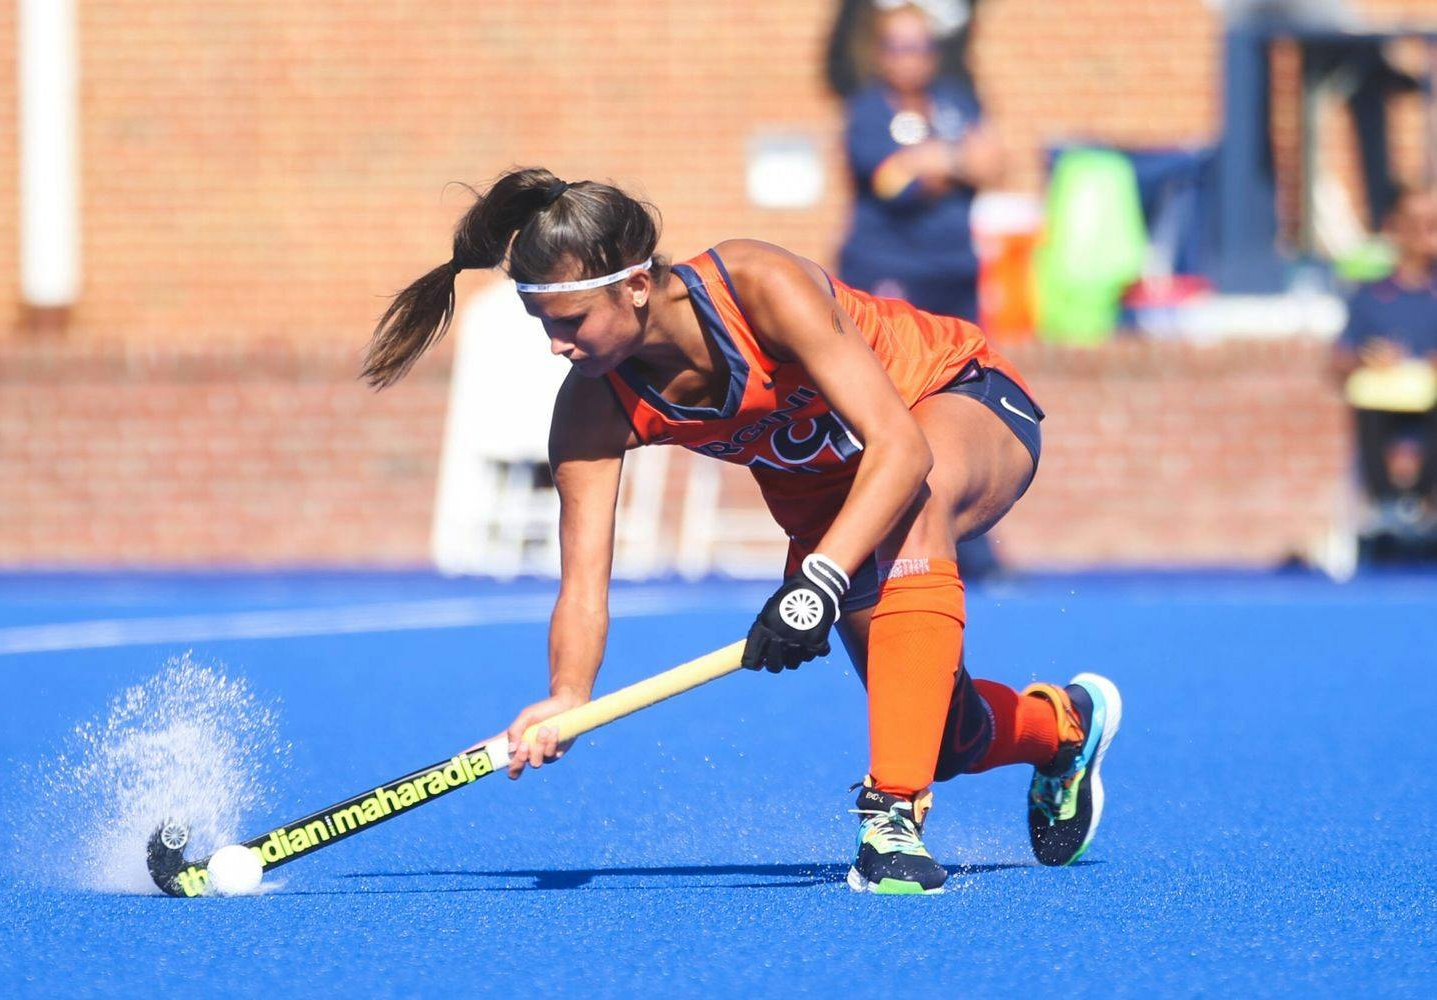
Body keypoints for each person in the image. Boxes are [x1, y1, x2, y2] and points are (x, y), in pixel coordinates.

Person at [362, 168, 1122, 894]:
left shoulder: (757, 285)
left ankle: (891, 818)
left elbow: (900, 447)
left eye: (569, 322)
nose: (556, 345)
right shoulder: (591, 408)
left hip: (951, 402)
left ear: (633, 286)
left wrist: (819, 583)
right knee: (943, 735)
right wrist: (568, 693)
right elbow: (583, 583)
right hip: (835, 508)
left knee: (912, 513)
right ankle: (1061, 727)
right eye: (543, 325)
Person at [836, 2, 1002, 325]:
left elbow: (992, 164)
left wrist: (932, 160)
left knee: (968, 369)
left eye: (919, 47)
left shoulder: (956, 101)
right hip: (889, 269)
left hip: (955, 270)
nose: (909, 58)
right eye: (897, 47)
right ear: (880, 53)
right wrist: (957, 160)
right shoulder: (868, 110)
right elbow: (891, 182)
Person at [1332, 186, 1437, 537]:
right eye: (1422, 224)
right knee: (1367, 407)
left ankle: (1423, 504)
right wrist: (1366, 359)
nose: (1430, 234)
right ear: (1396, 228)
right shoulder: (1370, 296)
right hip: (1385, 404)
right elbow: (1339, 360)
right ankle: (1387, 505)